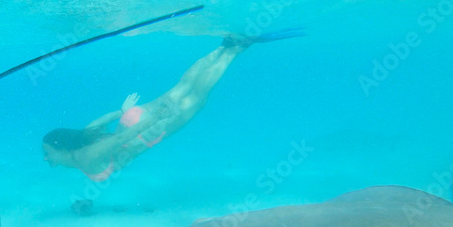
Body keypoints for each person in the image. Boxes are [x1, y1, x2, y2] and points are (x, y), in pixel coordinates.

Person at [41, 29, 304, 181]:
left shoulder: (84, 157)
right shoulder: (82, 139)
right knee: (181, 88)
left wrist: (156, 120)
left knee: (196, 99)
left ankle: (235, 50)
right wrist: (121, 112)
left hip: (146, 131)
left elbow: (123, 141)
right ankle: (222, 47)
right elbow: (97, 124)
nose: (46, 158)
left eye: (47, 153)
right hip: (132, 118)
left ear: (61, 148)